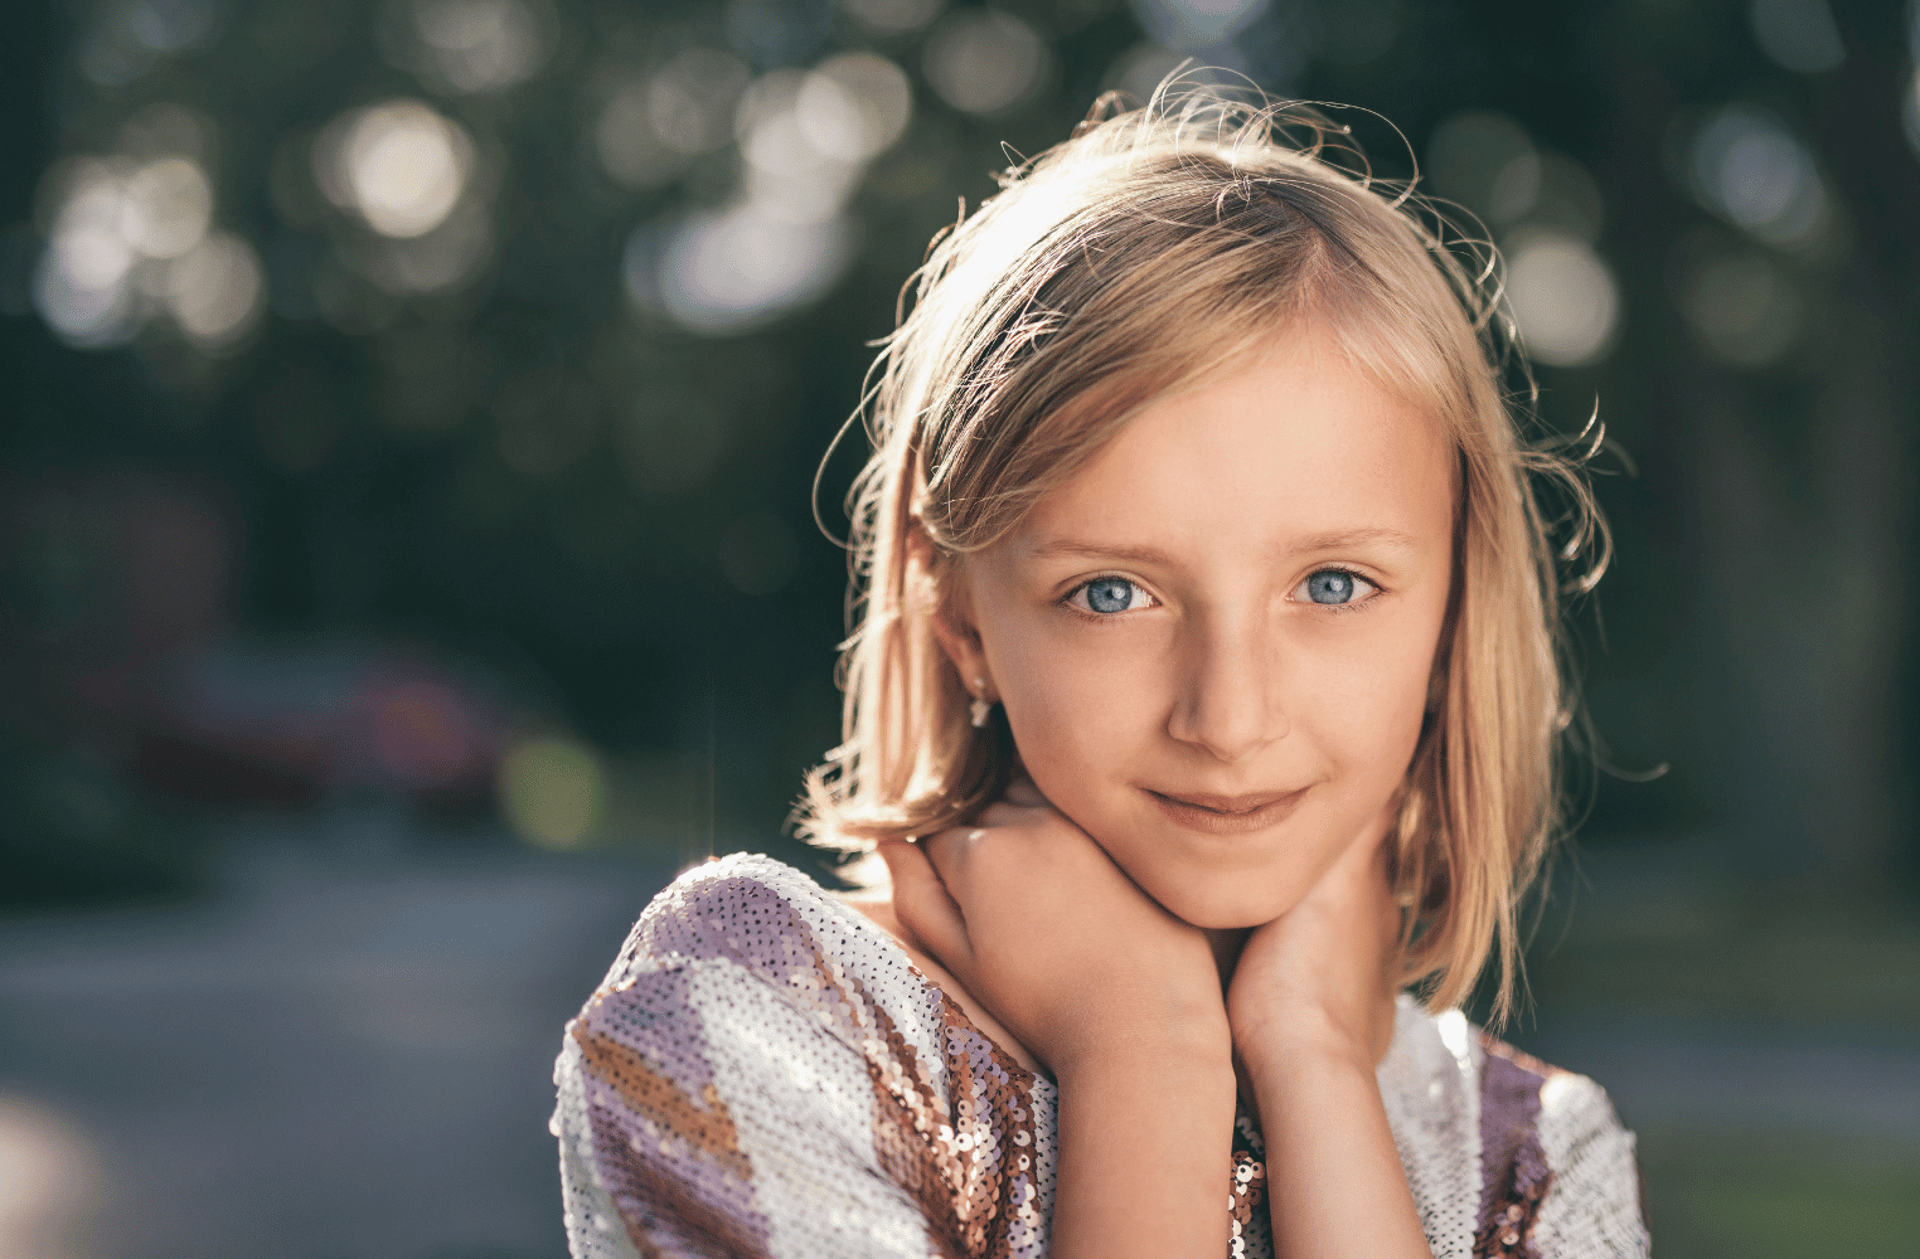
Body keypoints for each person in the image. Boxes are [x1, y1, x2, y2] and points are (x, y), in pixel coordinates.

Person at [551, 82, 1649, 1259]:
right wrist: (1145, 1050)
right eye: (1112, 593)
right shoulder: (754, 1020)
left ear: (1455, 606)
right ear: (960, 609)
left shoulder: (1538, 1151)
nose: (1229, 716)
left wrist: (1315, 1058)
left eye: (1331, 584)